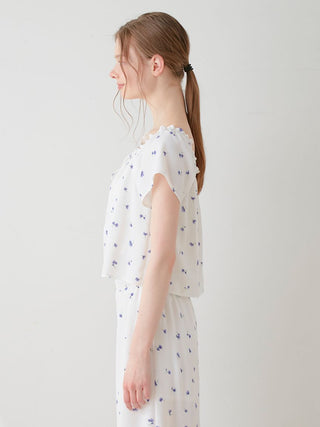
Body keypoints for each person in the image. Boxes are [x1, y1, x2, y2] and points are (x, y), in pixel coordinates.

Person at [101, 11, 206, 426]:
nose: (113, 72)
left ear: (155, 64)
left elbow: (162, 256)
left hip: (155, 326)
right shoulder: (167, 142)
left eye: (120, 59)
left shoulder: (167, 146)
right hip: (151, 320)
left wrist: (138, 353)